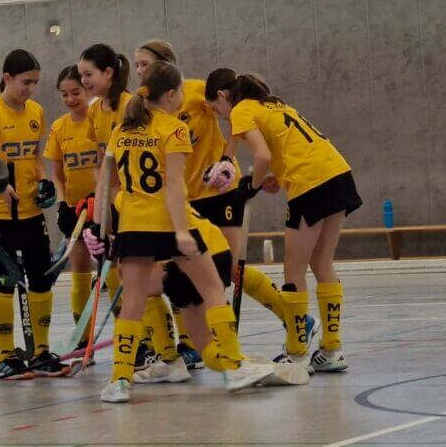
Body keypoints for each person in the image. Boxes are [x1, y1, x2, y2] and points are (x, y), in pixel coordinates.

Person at [87, 61, 275, 403]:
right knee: (213, 287)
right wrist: (182, 233)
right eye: (182, 93)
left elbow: (104, 184)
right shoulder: (173, 130)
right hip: (167, 223)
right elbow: (173, 186)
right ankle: (233, 367)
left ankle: (119, 381)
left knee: (133, 302)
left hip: (131, 225)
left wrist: (100, 230)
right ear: (172, 94)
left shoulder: (120, 130)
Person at [132, 40, 288, 374]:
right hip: (185, 202)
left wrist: (228, 158)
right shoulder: (146, 109)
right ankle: (197, 349)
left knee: (227, 271)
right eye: (136, 65)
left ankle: (293, 318)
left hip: (219, 193)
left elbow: (235, 115)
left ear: (166, 66)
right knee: (184, 275)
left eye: (144, 64)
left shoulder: (194, 92)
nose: (139, 71)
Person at [206, 70, 362, 373]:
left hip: (311, 184)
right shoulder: (274, 104)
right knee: (322, 264)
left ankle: (296, 353)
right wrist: (272, 177)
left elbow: (261, 156)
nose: (221, 117)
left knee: (294, 271)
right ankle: (331, 350)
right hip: (338, 174)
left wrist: (249, 187)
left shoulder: (241, 109)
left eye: (216, 110)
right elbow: (288, 146)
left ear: (223, 97)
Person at [0, 49, 62, 378]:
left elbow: (33, 156)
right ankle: (5, 354)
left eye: (35, 82)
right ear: (7, 78)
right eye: (25, 82)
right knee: (4, 281)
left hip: (30, 212)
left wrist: (44, 180)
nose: (31, 89)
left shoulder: (36, 111)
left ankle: (41, 351)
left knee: (41, 278)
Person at [43, 66, 97, 334]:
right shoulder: (59, 127)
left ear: (88, 88)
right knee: (80, 275)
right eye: (64, 94)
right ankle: (83, 338)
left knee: (115, 272)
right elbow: (57, 174)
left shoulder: (100, 121)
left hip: (105, 208)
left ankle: (136, 343)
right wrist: (62, 204)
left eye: (75, 92)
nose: (70, 99)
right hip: (76, 211)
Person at [77, 43, 130, 311]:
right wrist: (98, 207)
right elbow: (101, 163)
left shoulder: (131, 107)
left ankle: (162, 341)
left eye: (89, 74)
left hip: (132, 201)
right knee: (111, 263)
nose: (84, 81)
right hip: (109, 200)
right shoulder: (94, 111)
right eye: (81, 75)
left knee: (136, 273)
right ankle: (131, 339)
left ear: (108, 72)